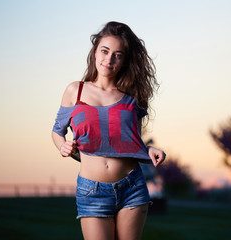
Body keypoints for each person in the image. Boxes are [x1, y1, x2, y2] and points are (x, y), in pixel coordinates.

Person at [51, 21, 166, 240]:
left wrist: (147, 150)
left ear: (124, 61)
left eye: (118, 54)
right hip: (91, 190)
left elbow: (130, 139)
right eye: (105, 51)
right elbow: (57, 131)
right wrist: (62, 145)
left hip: (132, 186)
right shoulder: (75, 90)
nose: (109, 59)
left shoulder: (132, 96)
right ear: (95, 52)